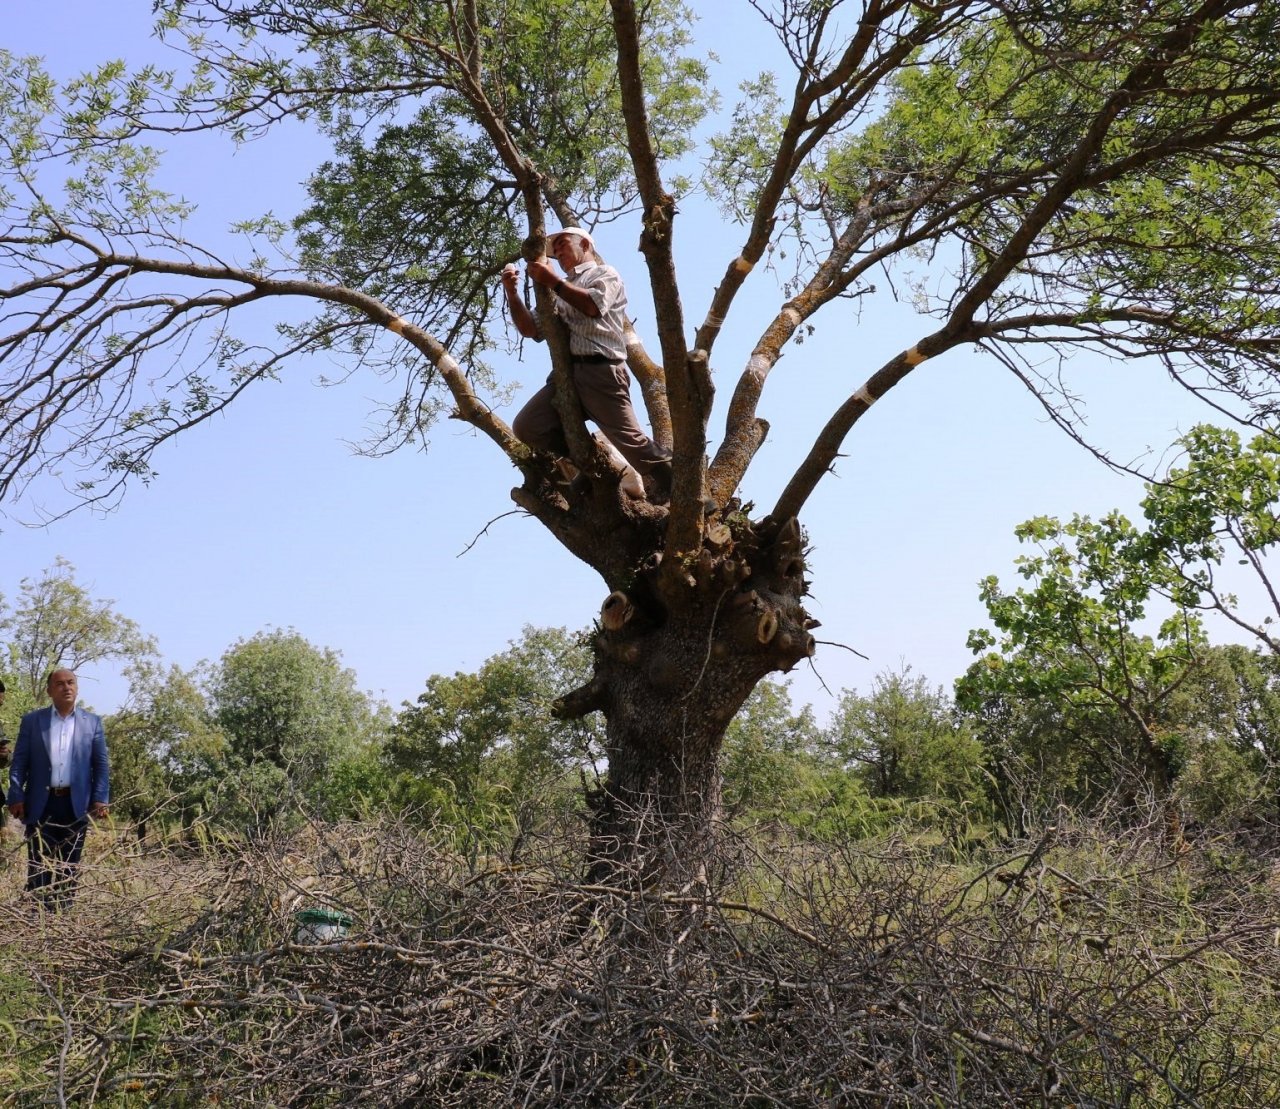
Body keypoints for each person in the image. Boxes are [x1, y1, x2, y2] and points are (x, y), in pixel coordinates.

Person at [501, 227, 673, 501]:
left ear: (584, 244)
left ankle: (684, 487)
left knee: (632, 441)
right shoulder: (557, 289)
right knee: (528, 425)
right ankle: (595, 463)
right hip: (568, 374)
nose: (558, 253)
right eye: (554, 252)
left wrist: (553, 281)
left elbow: (593, 306)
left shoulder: (604, 273)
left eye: (563, 245)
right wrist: (512, 294)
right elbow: (530, 328)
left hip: (602, 371)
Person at [7, 669, 110, 911]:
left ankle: (62, 919)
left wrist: (100, 798)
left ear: (77, 687)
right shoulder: (33, 721)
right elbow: (19, 762)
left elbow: (101, 764)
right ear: (49, 690)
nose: (66, 687)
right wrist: (16, 795)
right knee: (39, 866)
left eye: (71, 683)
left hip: (76, 806)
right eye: (60, 684)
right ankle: (36, 920)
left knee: (69, 869)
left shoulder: (92, 722)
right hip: (41, 805)